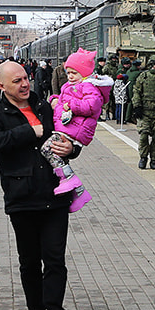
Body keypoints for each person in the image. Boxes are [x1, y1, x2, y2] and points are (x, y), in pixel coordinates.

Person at [0, 61, 79, 310]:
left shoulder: (45, 107)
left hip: (55, 193)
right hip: (21, 196)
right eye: (16, 81)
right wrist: (28, 132)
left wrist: (72, 149)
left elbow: (66, 137)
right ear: (2, 87)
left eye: (26, 78)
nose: (24, 84)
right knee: (30, 261)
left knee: (55, 259)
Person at [46, 49, 113, 212]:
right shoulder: (72, 86)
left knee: (47, 149)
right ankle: (78, 193)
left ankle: (69, 179)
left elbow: (92, 106)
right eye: (68, 72)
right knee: (50, 150)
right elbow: (62, 98)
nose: (69, 76)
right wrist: (54, 100)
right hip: (68, 126)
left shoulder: (89, 86)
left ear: (83, 72)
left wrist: (70, 105)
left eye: (74, 72)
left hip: (75, 129)